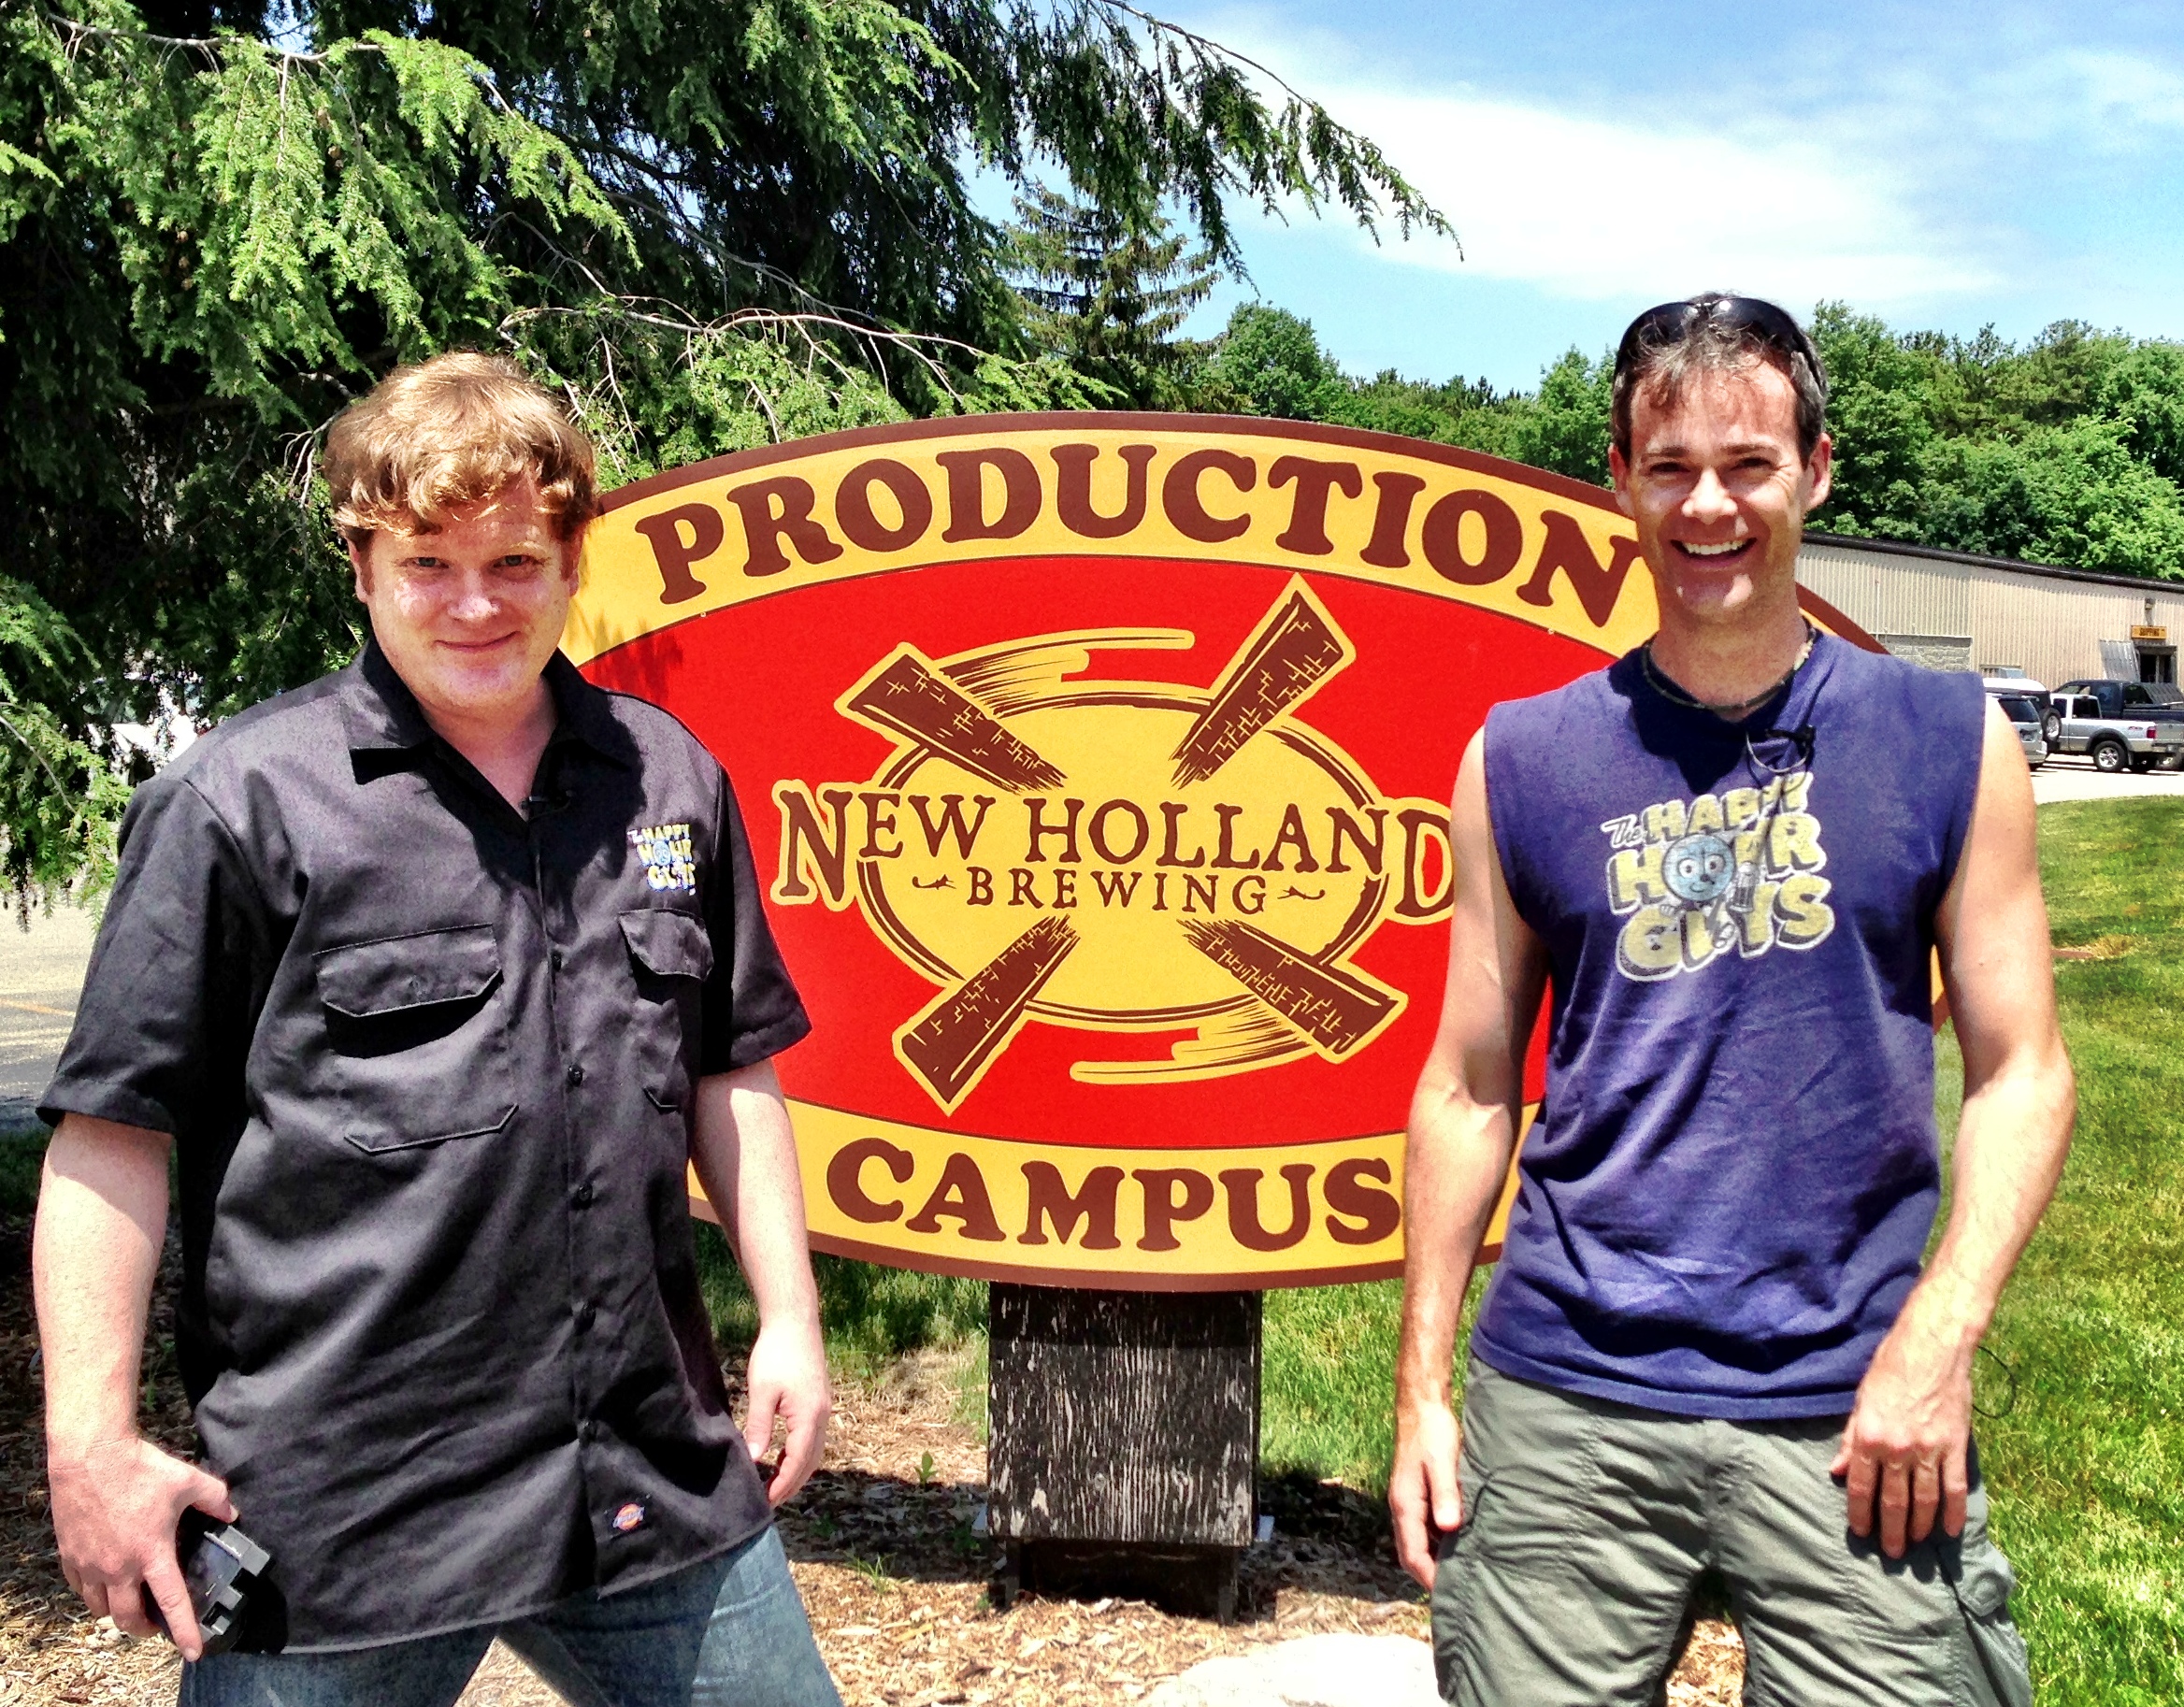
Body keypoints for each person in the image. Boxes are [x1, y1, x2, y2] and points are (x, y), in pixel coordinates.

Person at [34, 353, 841, 1706]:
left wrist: (793, 1320)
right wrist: (89, 1442)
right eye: (428, 563)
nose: (476, 604)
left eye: (516, 562)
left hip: (645, 1481)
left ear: (574, 559)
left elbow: (730, 1065)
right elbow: (111, 1134)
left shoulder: (665, 779)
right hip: (347, 1524)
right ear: (361, 565)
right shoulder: (240, 806)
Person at [1389, 294, 2074, 1705]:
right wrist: (1422, 1385)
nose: (1709, 504)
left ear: (1817, 470)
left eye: (1749, 463)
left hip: (1855, 1403)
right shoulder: (1523, 758)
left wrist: (1937, 1343)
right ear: (1620, 484)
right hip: (1569, 1391)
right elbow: (1465, 1086)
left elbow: (2026, 1071)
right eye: (1671, 466)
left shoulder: (1946, 739)